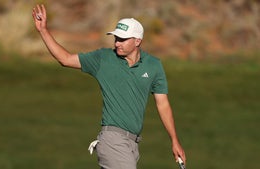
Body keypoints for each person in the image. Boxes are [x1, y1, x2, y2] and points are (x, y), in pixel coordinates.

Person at [32, 4, 186, 169]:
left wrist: (174, 140)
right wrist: (43, 30)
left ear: (137, 41)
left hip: (133, 145)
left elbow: (162, 104)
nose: (117, 43)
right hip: (112, 139)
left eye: (122, 39)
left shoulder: (154, 65)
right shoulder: (103, 58)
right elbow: (65, 59)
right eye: (116, 38)